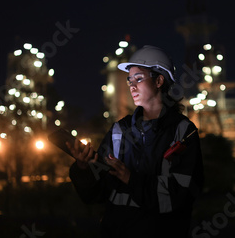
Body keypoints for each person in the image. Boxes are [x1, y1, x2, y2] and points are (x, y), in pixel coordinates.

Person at [67, 45, 204, 237]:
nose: (132, 85)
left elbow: (183, 195)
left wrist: (131, 179)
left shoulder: (183, 132)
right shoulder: (119, 131)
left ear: (159, 81)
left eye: (139, 78)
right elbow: (95, 195)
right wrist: (83, 169)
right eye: (129, 80)